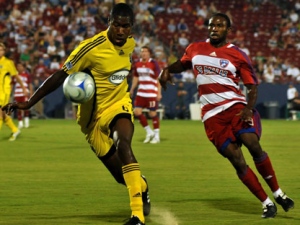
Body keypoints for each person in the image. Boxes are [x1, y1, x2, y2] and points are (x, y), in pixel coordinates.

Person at [2, 3, 150, 225]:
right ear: (109, 22)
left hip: (119, 105)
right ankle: (143, 186)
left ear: (131, 28)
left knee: (124, 143)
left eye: (125, 26)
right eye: (117, 25)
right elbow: (60, 75)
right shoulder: (90, 48)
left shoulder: (130, 44)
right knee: (122, 177)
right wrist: (30, 102)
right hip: (91, 121)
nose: (121, 30)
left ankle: (136, 216)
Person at [159, 13, 294, 219]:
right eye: (212, 25)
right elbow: (183, 63)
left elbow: (252, 86)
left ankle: (278, 193)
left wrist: (249, 107)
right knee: (236, 159)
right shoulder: (195, 48)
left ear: (228, 30)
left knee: (252, 144)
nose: (214, 28)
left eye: (219, 25)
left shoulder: (238, 54)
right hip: (211, 116)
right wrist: (167, 70)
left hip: (235, 107)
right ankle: (266, 203)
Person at [130, 46, 162, 144]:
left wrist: (159, 93)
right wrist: (132, 89)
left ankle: (157, 136)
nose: (143, 53)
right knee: (137, 112)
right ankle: (149, 132)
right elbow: (136, 77)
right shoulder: (137, 64)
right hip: (141, 93)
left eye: (145, 51)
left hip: (151, 92)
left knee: (152, 114)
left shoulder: (153, 63)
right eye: (142, 51)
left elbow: (158, 79)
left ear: (149, 53)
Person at [0, 43, 27, 141]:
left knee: (1, 112)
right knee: (3, 115)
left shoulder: (8, 63)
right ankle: (15, 130)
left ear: (4, 51)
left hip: (4, 91)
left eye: (1, 50)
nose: (0, 52)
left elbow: (16, 76)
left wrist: (23, 88)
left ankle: (15, 130)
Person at [12, 62, 33, 129]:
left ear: (24, 67)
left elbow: (30, 84)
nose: (19, 67)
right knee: (18, 108)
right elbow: (12, 84)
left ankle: (26, 120)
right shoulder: (15, 75)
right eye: (18, 66)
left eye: (20, 66)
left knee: (26, 107)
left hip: (25, 93)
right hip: (17, 93)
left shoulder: (27, 75)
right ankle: (20, 122)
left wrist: (31, 93)